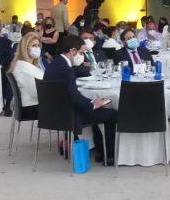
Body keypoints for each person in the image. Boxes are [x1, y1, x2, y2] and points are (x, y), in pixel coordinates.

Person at [43, 35, 117, 166]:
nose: (83, 56)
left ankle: (100, 150)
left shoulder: (55, 63)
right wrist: (93, 105)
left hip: (54, 111)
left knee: (97, 108)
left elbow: (73, 95)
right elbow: (75, 97)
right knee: (112, 114)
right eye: (82, 53)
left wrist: (92, 103)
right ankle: (108, 155)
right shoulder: (66, 69)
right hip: (68, 115)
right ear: (72, 51)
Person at [9, 33, 44, 123]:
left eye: (38, 46)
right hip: (30, 107)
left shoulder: (27, 65)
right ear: (25, 48)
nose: (37, 48)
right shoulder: (23, 68)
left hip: (32, 104)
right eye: (33, 45)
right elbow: (36, 93)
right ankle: (73, 136)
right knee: (69, 105)